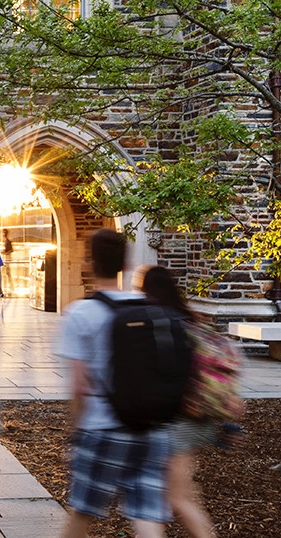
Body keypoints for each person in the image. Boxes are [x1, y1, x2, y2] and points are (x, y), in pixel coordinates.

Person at [59, 229, 171, 538]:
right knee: (147, 516)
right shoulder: (151, 307)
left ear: (91, 263)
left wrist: (77, 432)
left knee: (82, 513)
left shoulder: (80, 313)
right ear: (126, 263)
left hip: (102, 428)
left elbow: (79, 385)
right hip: (151, 429)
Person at [139, 265, 218, 538]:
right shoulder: (190, 319)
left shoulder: (164, 324)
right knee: (160, 495)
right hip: (194, 417)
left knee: (178, 497)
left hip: (180, 419)